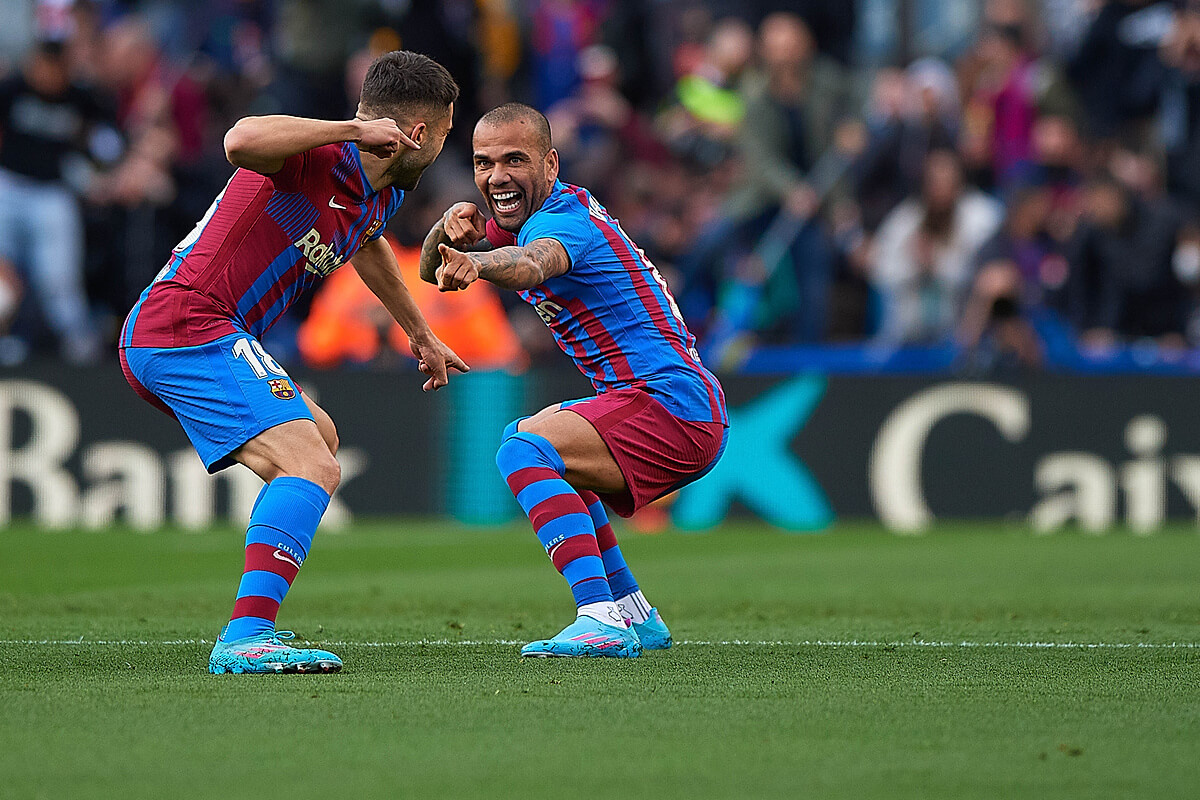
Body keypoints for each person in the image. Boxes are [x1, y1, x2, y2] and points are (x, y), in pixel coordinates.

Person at [118, 51, 468, 675]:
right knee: (311, 463)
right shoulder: (314, 155)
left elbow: (367, 245)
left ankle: (256, 612)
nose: (444, 147)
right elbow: (239, 139)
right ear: (415, 133)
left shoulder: (376, 195)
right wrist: (353, 129)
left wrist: (420, 332)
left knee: (320, 443)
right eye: (443, 134)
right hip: (188, 322)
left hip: (210, 331)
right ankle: (248, 634)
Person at [421, 103, 728, 658]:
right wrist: (445, 232)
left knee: (523, 451)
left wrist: (481, 263)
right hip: (669, 402)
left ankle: (598, 615)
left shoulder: (562, 221)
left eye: (515, 160)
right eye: (483, 163)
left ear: (551, 164)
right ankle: (633, 612)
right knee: (546, 453)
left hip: (670, 403)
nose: (497, 177)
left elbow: (534, 264)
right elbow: (429, 272)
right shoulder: (517, 219)